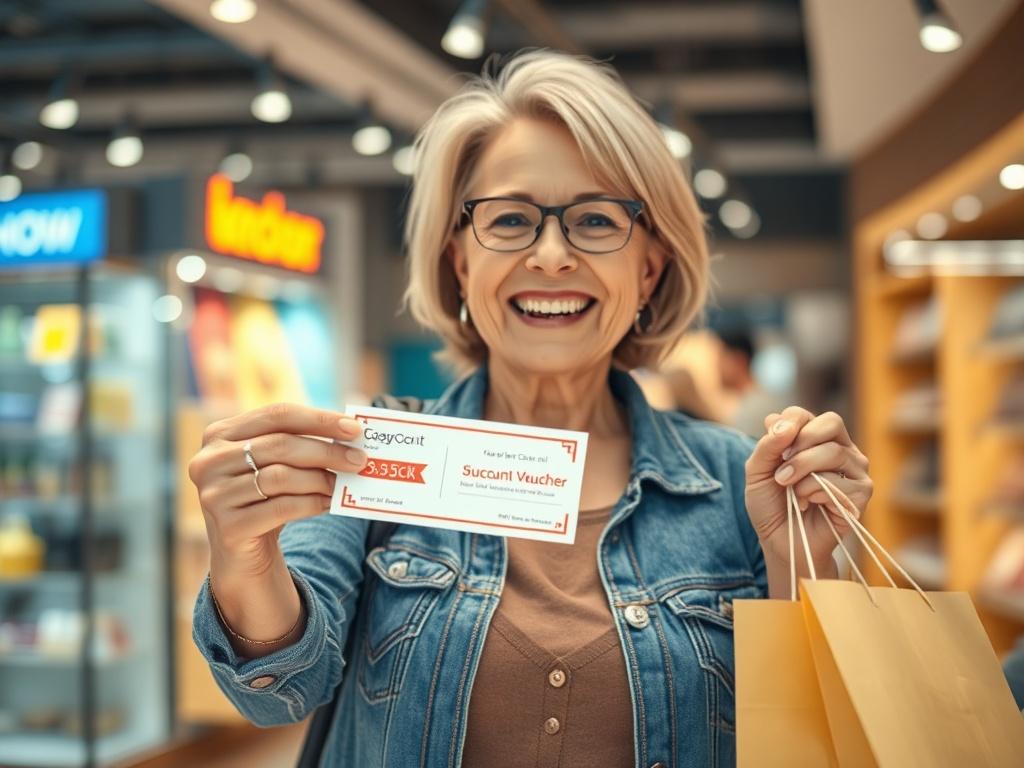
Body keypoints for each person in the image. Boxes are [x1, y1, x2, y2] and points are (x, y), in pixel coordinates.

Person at [188, 50, 873, 768]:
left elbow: (808, 737)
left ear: (650, 267)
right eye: (511, 219)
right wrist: (243, 555)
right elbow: (277, 693)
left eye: (597, 220)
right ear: (459, 261)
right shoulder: (374, 457)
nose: (550, 255)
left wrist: (805, 563)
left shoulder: (738, 481)